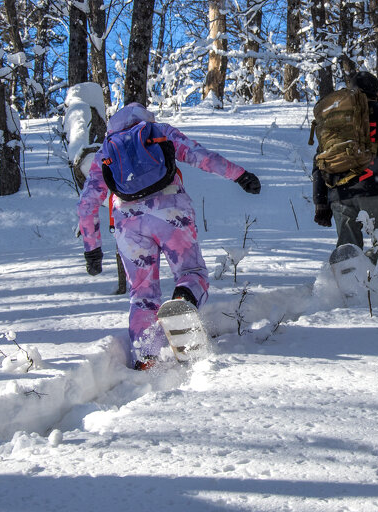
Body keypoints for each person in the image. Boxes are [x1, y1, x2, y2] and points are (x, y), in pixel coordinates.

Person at [77, 103, 260, 369]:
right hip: (170, 211)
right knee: (192, 272)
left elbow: (86, 204)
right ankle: (182, 303)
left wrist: (91, 249)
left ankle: (146, 357)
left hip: (128, 226)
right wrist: (240, 175)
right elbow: (201, 156)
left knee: (142, 293)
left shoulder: (105, 151)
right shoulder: (158, 131)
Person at [312, 71, 378, 271]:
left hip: (338, 193)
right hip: (373, 187)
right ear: (377, 93)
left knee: (347, 250)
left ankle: (344, 289)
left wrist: (321, 203)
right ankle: (358, 279)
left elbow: (318, 161)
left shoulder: (335, 116)